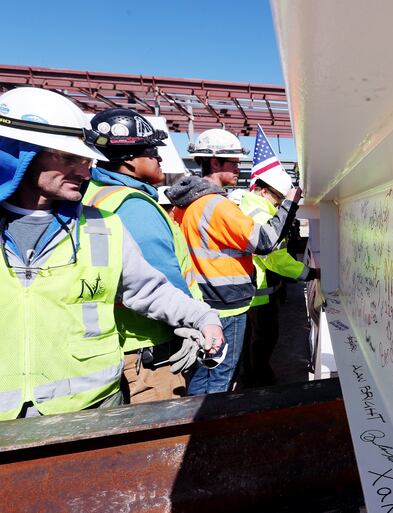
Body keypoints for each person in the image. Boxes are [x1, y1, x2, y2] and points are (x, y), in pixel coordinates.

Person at [0, 87, 224, 420]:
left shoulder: (103, 226)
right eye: (68, 156)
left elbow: (149, 289)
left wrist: (202, 317)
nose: (85, 171)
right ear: (21, 154)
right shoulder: (132, 206)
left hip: (93, 409)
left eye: (87, 159)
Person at [166, 128, 302, 395]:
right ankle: (211, 428)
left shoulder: (186, 205)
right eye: (234, 163)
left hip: (201, 299)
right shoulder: (217, 205)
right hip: (225, 304)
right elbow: (264, 242)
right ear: (215, 162)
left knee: (204, 372)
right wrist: (289, 204)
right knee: (219, 377)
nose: (239, 169)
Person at [82, 108, 203, 403]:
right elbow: (161, 278)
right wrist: (189, 323)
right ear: (128, 159)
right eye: (151, 151)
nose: (159, 157)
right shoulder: (133, 205)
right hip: (151, 349)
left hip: (121, 342)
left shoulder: (95, 193)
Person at [238, 170, 320, 387]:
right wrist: (309, 273)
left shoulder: (250, 207)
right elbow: (274, 258)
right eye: (277, 198)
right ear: (263, 191)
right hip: (261, 294)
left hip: (251, 290)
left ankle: (249, 377)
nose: (278, 204)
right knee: (264, 338)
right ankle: (261, 382)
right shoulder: (261, 214)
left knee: (250, 340)